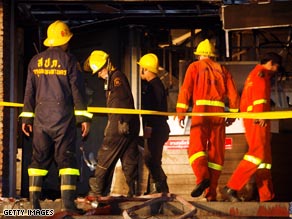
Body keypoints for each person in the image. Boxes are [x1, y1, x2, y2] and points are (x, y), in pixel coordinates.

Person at [20, 20, 92, 214]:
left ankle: (34, 206)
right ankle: (67, 205)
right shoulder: (69, 61)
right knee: (66, 161)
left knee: (38, 161)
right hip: (63, 119)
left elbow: (29, 93)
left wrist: (27, 119)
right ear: (64, 40)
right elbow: (77, 91)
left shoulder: (35, 61)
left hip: (41, 120)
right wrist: (84, 118)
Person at [176, 39, 240, 201]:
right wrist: (232, 114)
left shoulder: (195, 67)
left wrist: (181, 112)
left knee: (195, 148)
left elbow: (186, 90)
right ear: (212, 55)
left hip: (201, 111)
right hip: (218, 112)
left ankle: (202, 178)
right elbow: (233, 94)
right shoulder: (222, 69)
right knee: (216, 155)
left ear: (199, 55)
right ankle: (210, 194)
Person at [222, 52, 282, 202]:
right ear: (271, 63)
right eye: (276, 67)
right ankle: (232, 187)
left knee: (265, 161)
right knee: (257, 155)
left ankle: (266, 196)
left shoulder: (254, 75)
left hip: (256, 119)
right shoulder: (261, 75)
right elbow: (260, 98)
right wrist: (261, 114)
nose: (276, 71)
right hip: (258, 120)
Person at [84, 50, 140, 198]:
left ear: (108, 65)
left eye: (100, 70)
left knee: (105, 155)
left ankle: (96, 191)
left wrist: (123, 121)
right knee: (129, 159)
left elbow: (123, 101)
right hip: (128, 123)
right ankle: (132, 192)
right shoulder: (113, 79)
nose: (99, 74)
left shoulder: (117, 79)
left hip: (120, 123)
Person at [137, 53, 170, 194]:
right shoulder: (156, 85)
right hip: (159, 128)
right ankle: (154, 190)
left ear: (145, 69)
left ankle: (161, 186)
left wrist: (149, 127)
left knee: (151, 159)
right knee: (153, 159)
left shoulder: (153, 86)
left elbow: (154, 109)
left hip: (156, 129)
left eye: (141, 68)